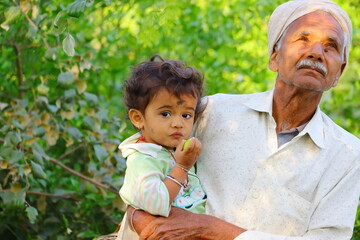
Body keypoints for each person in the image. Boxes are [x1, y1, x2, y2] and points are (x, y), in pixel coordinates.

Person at [123, 0, 360, 240]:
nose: (316, 53)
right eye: (303, 39)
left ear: (339, 72)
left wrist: (210, 229)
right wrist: (137, 216)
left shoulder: (348, 154)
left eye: (330, 47)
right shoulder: (215, 111)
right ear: (274, 56)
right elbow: (147, 155)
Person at [115, 55, 207, 240]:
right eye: (165, 113)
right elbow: (156, 204)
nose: (177, 123)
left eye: (186, 115)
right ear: (138, 118)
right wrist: (182, 167)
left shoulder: (170, 151)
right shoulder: (142, 159)